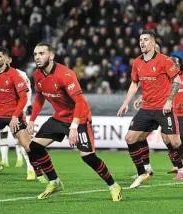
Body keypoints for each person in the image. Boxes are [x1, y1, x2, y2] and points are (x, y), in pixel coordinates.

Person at [27, 42, 122, 201]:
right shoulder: (37, 74)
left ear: (51, 56)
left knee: (88, 157)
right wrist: (32, 120)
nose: (37, 57)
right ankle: (54, 181)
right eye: (35, 54)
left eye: (41, 53)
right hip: (59, 117)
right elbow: (39, 97)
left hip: (80, 118)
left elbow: (80, 101)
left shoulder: (65, 74)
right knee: (34, 147)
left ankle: (114, 186)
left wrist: (73, 127)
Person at [117, 30, 183, 191]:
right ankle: (142, 172)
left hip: (163, 109)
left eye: (145, 40)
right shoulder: (137, 62)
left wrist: (169, 101)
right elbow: (135, 84)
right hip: (147, 108)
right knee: (130, 138)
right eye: (140, 40)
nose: (142, 42)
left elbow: (176, 80)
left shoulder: (164, 60)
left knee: (176, 142)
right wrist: (126, 102)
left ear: (153, 43)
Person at [133, 55, 183, 181]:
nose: (173, 66)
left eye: (175, 64)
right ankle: (180, 167)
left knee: (182, 140)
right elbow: (153, 90)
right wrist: (141, 98)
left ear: (179, 65)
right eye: (172, 64)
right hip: (166, 112)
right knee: (167, 140)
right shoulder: (164, 78)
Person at [0, 47, 30, 182]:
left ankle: (36, 170)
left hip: (14, 114)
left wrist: (15, 116)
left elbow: (23, 98)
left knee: (26, 145)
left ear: (6, 59)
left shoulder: (15, 74)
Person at [0, 55, 37, 181]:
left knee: (23, 139)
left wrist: (24, 109)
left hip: (18, 110)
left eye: (2, 57)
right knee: (3, 135)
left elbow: (27, 92)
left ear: (9, 60)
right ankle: (2, 162)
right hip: (1, 111)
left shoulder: (20, 74)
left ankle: (30, 168)